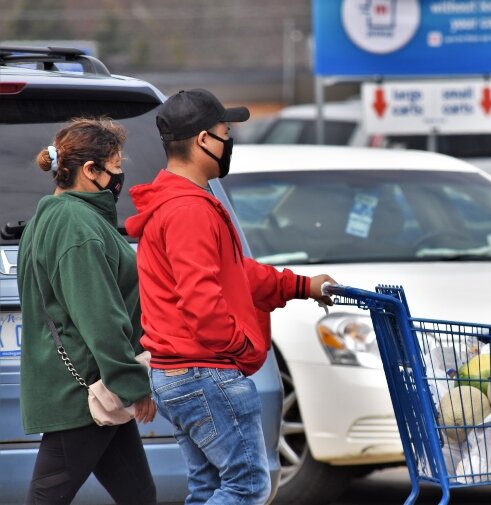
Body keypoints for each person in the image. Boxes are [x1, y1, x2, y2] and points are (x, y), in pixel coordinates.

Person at [125, 89, 336, 505]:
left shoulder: (177, 201)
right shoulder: (189, 209)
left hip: (181, 372)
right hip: (204, 372)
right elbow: (202, 302)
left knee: (208, 489)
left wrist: (301, 286)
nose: (230, 141)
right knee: (248, 487)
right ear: (204, 140)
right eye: (226, 131)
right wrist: (237, 347)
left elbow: (235, 275)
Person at [17, 118, 157, 505]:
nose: (120, 178)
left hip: (92, 389)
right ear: (89, 171)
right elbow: (100, 316)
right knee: (48, 497)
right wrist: (133, 385)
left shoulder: (56, 215)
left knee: (140, 496)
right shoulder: (76, 225)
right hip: (84, 394)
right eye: (114, 168)